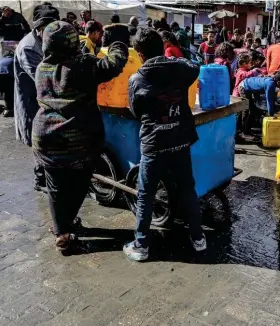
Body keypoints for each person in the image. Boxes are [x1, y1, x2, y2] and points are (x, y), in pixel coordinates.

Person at [33, 21, 128, 252]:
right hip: (77, 140)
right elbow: (114, 64)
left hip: (45, 137)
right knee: (79, 183)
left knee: (56, 187)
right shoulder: (83, 65)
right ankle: (64, 230)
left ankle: (62, 229)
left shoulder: (41, 68)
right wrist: (118, 43)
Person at [123, 28, 204, 260]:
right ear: (163, 46)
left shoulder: (136, 79)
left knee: (146, 193)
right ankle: (198, 238)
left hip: (154, 143)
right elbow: (194, 65)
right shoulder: (180, 68)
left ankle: (141, 245)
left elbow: (136, 111)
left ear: (139, 53)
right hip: (180, 140)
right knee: (187, 188)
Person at [14, 4, 59, 192]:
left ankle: (47, 174)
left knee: (47, 140)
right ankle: (41, 180)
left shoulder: (50, 40)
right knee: (39, 140)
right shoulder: (29, 47)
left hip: (46, 100)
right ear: (37, 28)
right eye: (45, 29)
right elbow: (42, 79)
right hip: (33, 101)